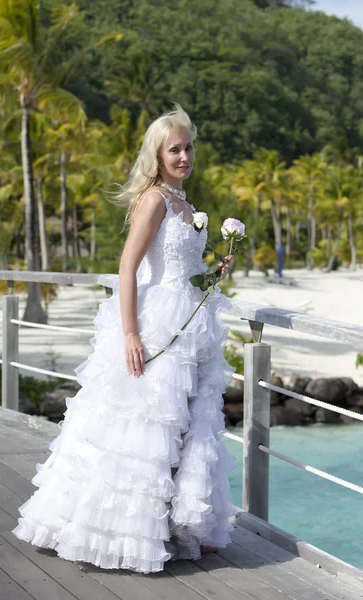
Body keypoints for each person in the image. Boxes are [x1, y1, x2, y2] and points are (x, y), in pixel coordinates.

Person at [12, 103, 237, 574]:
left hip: (189, 326)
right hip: (157, 324)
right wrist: (131, 333)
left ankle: (182, 524)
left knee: (184, 424)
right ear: (157, 155)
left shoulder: (188, 206)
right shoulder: (155, 199)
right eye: (173, 149)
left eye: (188, 147)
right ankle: (127, 531)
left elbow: (184, 267)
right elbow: (128, 267)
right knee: (143, 429)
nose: (183, 156)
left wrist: (213, 271)